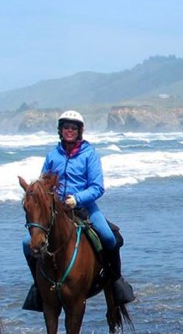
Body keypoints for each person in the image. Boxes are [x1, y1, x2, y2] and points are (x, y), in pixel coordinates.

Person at [22, 110, 133, 311]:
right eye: (66, 127)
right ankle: (39, 287)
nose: (69, 131)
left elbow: (97, 187)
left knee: (109, 237)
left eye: (73, 128)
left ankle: (116, 283)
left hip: (84, 206)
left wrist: (77, 198)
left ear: (80, 131)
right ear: (60, 130)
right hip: (57, 211)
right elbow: (42, 185)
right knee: (26, 243)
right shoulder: (52, 155)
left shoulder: (89, 154)